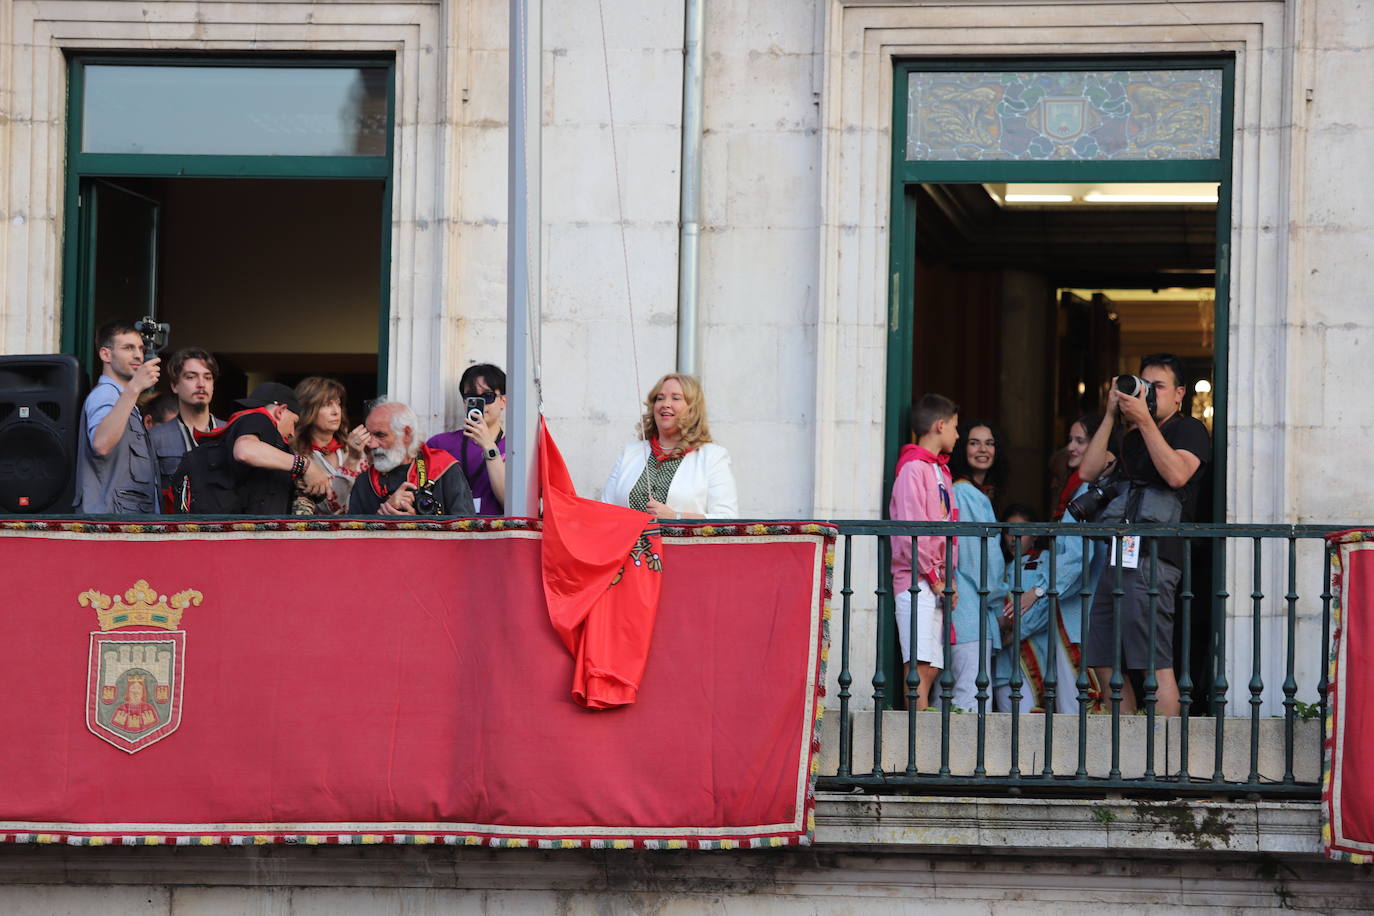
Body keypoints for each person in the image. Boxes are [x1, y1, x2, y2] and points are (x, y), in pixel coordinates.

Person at [1078, 354, 1211, 716]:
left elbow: (1177, 475)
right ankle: (1125, 748)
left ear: (1180, 394)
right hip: (1119, 554)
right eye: (1143, 386)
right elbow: (1088, 473)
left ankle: (1164, 756)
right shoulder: (1132, 437)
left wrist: (1145, 422)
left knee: (1152, 660)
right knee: (1103, 657)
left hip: (1155, 557)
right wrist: (1110, 415)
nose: (1149, 394)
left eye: (1158, 387)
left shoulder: (1188, 430)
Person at [889, 393, 959, 711]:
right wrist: (934, 577)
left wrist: (949, 579)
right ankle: (912, 739)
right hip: (915, 580)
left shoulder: (941, 471)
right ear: (940, 425)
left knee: (933, 664)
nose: (957, 435)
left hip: (938, 582)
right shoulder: (912, 470)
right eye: (955, 427)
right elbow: (909, 533)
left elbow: (949, 530)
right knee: (917, 663)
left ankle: (921, 726)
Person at [174, 382, 329, 514]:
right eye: (294, 422)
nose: (292, 433)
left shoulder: (236, 432)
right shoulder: (259, 418)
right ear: (280, 411)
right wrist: (305, 466)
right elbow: (245, 451)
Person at [602, 373, 739, 519]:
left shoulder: (713, 457)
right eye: (660, 398)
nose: (665, 404)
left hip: (678, 542)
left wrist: (676, 516)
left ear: (693, 408)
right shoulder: (630, 453)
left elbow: (727, 518)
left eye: (676, 398)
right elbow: (604, 509)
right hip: (628, 541)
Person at [945, 421, 1008, 711]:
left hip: (967, 612)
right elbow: (979, 560)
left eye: (990, 442)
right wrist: (1001, 599)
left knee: (955, 695)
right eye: (974, 442)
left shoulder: (975, 492)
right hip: (970, 612)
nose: (983, 449)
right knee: (970, 697)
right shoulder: (967, 494)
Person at [74, 320, 162, 513]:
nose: (138, 355)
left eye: (140, 348)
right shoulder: (106, 393)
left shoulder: (123, 398)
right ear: (106, 354)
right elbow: (102, 443)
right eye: (128, 348)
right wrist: (135, 388)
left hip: (128, 523)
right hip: (111, 526)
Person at [349, 399, 477, 516]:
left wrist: (416, 524)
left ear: (407, 434)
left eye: (380, 435)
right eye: (369, 435)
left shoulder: (444, 468)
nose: (372, 444)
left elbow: (467, 532)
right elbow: (351, 539)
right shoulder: (366, 481)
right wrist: (382, 517)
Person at [428, 364, 508, 515]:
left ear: (503, 401)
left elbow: (509, 502)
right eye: (472, 396)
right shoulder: (439, 444)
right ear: (464, 401)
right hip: (452, 532)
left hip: (495, 534)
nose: (481, 403)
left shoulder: (516, 449)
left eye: (487, 396)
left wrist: (488, 446)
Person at [149, 348, 224, 498]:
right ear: (174, 385)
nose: (201, 384)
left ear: (213, 385)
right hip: (175, 519)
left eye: (208, 377)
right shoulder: (155, 438)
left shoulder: (231, 431)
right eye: (191, 377)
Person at [993, 504, 1045, 712]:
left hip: (1033, 661)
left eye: (1021, 531)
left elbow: (1046, 608)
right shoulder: (998, 568)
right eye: (1009, 531)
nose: (1014, 537)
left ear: (1034, 534)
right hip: (1003, 667)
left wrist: (1014, 634)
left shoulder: (1045, 561)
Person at [291, 376, 369, 515]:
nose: (336, 411)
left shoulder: (353, 448)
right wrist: (351, 461)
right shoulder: (296, 456)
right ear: (308, 409)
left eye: (338, 404)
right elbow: (325, 509)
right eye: (327, 404)